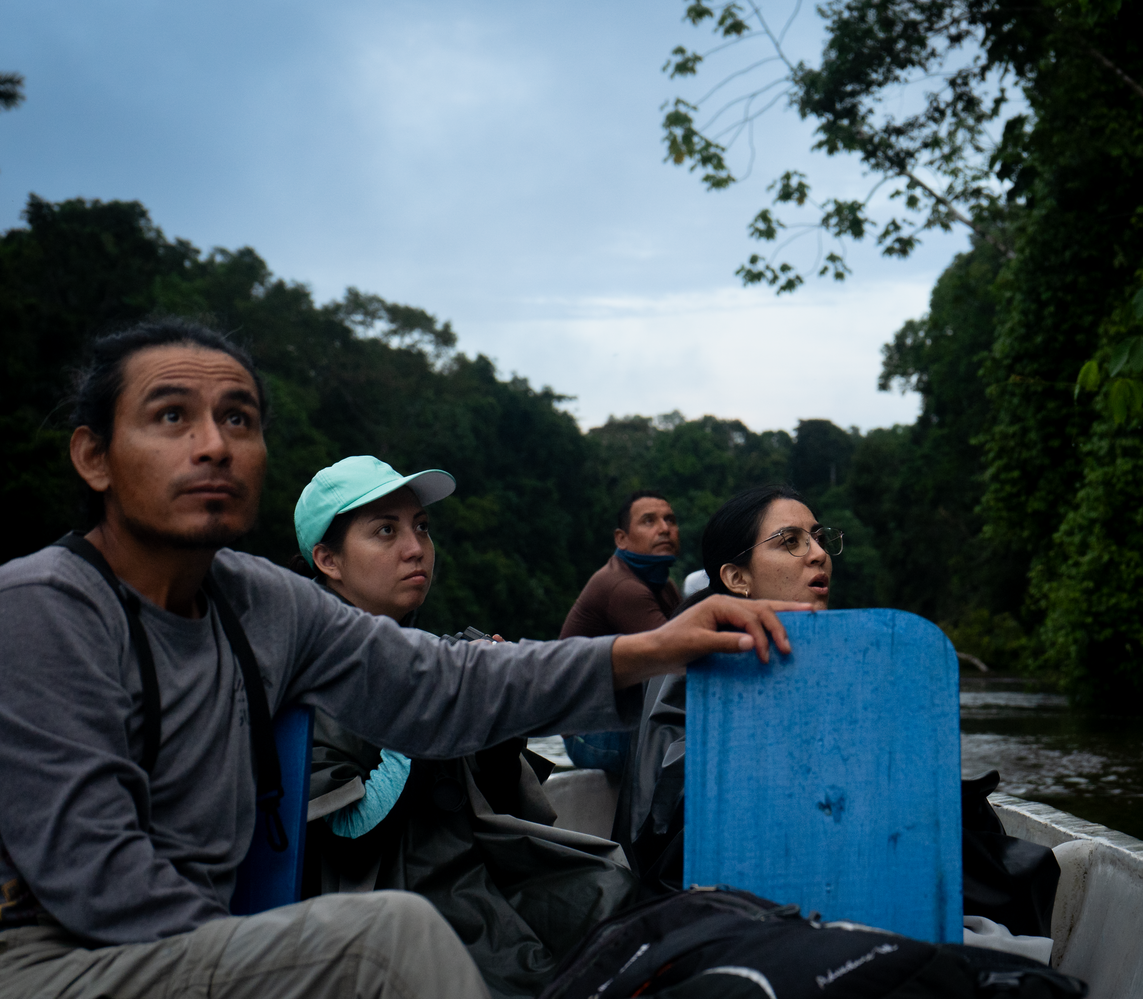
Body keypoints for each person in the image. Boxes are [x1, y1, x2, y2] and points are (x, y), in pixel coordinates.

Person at [0, 318, 804, 999]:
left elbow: (446, 686)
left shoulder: (261, 603)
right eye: (172, 416)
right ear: (94, 456)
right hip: (52, 954)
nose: (214, 444)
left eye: (238, 418)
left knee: (633, 908)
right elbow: (96, 874)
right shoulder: (44, 607)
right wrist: (271, 955)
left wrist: (655, 648)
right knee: (391, 939)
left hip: (200, 942)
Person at [294, 455, 639, 997]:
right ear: (328, 560)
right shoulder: (304, 675)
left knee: (619, 897)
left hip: (471, 879)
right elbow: (346, 835)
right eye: (386, 530)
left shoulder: (426, 653)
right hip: (390, 905)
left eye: (422, 527)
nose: (416, 548)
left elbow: (505, 801)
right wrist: (430, 705)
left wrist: (497, 717)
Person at [619, 485, 841, 887]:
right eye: (790, 542)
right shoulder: (693, 659)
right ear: (737, 578)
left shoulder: (826, 655)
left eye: (818, 538)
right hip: (695, 886)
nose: (818, 554)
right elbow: (664, 812)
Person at [558, 490, 683, 771]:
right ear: (621, 539)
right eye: (649, 521)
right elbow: (678, 661)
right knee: (692, 739)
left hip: (619, 720)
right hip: (587, 733)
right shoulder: (622, 587)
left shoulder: (664, 585)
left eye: (670, 520)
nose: (665, 528)